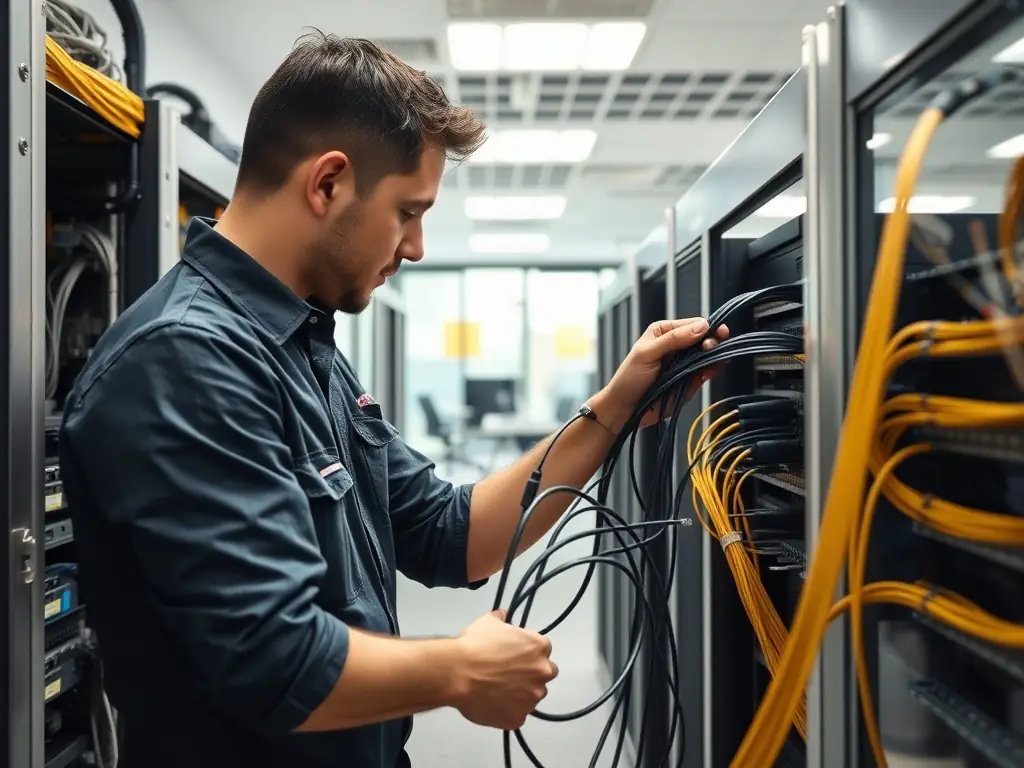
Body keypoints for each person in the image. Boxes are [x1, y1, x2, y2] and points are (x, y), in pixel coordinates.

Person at [59, 32, 728, 768]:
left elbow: (449, 530)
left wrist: (613, 411)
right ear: (329, 183)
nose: (415, 248)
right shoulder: (185, 358)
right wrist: (460, 670)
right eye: (408, 211)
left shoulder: (301, 344)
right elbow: (273, 659)